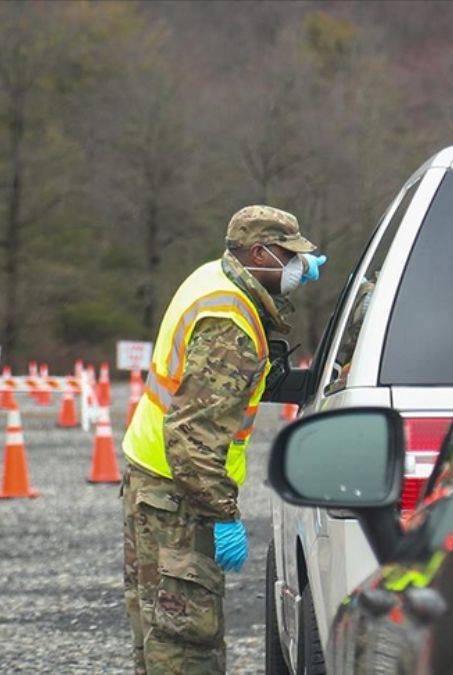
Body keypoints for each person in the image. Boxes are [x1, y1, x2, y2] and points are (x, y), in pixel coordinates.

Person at [121, 205, 324, 674]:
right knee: (185, 643)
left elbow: (247, 382)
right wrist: (223, 514)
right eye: (289, 257)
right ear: (258, 253)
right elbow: (192, 436)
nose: (297, 267)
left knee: (156, 634)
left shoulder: (216, 278)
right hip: (179, 498)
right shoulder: (228, 322)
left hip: (153, 483)